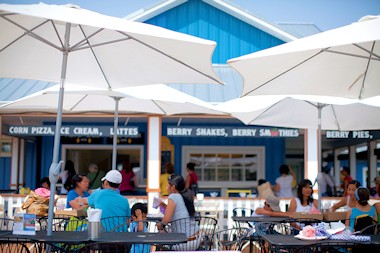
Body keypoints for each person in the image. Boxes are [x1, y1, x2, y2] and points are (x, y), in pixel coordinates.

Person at [156, 174, 198, 250]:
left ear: (173, 187)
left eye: (167, 185)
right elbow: (177, 210)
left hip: (184, 242)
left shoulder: (173, 196)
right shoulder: (186, 195)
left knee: (160, 241)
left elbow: (166, 220)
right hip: (195, 238)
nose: (166, 188)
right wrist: (162, 204)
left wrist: (159, 225)